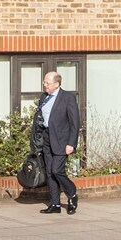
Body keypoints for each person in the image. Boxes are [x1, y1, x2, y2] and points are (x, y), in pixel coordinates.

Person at [32, 69, 83, 215]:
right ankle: (54, 203)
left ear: (56, 83)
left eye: (47, 83)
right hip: (47, 138)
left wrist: (71, 143)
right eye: (44, 82)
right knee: (49, 172)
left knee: (56, 170)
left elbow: (74, 122)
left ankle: (71, 193)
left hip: (62, 140)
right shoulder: (44, 97)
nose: (44, 85)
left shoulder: (67, 98)